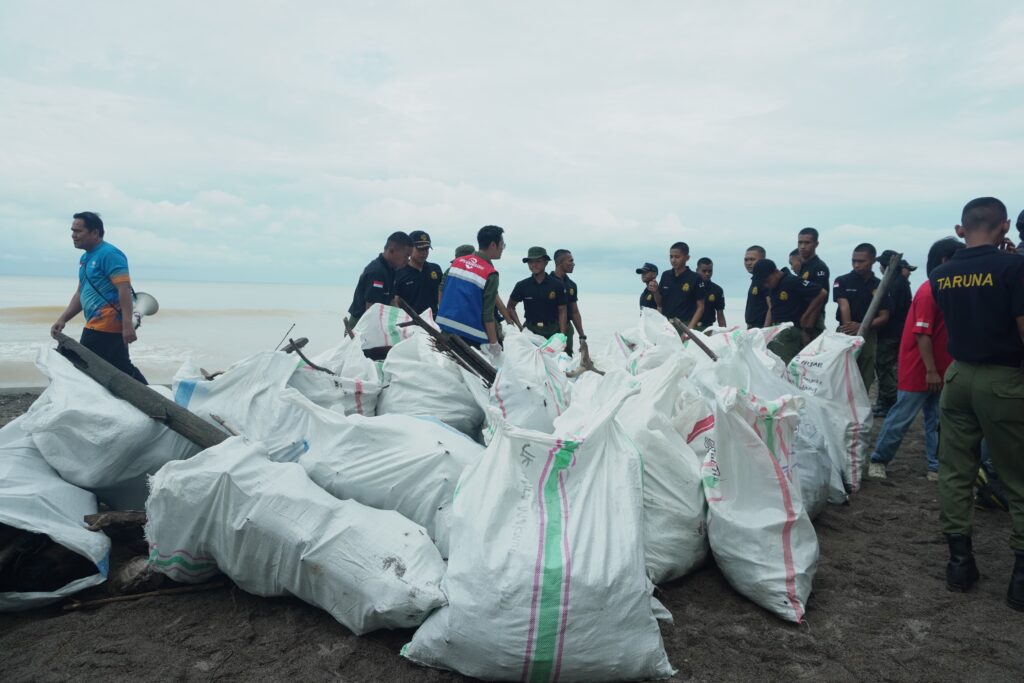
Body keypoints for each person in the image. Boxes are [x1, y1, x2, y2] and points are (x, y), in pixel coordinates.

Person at [929, 197, 1024, 609]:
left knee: (955, 471)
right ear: (1004, 226)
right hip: (1004, 378)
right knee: (1018, 476)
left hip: (958, 377)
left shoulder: (942, 273)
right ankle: (1020, 579)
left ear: (961, 229)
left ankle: (959, 564)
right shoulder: (1014, 267)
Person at [867, 238, 964, 481]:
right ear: (945, 261)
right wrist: (930, 370)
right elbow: (922, 333)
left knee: (938, 419)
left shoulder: (949, 289)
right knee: (901, 417)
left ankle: (935, 466)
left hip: (942, 366)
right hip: (919, 366)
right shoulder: (929, 290)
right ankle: (879, 459)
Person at [50, 211, 147, 383]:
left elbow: (123, 289)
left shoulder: (110, 254)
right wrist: (63, 318)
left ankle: (155, 401)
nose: (73, 235)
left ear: (95, 232)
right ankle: (155, 399)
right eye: (72, 231)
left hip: (105, 326)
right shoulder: (85, 258)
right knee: (122, 367)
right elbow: (81, 293)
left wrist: (127, 326)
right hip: (98, 325)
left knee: (84, 370)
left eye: (78, 231)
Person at [833, 243, 890, 391]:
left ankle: (860, 405)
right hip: (845, 332)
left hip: (869, 333)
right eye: (854, 261)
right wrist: (850, 331)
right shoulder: (842, 280)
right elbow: (843, 305)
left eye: (861, 261)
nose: (856, 265)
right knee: (841, 371)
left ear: (873, 260)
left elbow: (884, 316)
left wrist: (862, 327)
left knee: (866, 371)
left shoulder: (880, 285)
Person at [437, 226, 505, 349]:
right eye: (502, 244)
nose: (502, 248)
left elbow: (441, 289)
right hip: (470, 339)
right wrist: (494, 344)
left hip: (445, 331)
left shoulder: (456, 263)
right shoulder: (490, 273)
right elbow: (487, 314)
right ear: (493, 245)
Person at [751, 259, 827, 363]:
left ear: (775, 272)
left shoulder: (791, 281)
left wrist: (806, 317)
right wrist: (764, 331)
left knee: (784, 366)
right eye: (764, 283)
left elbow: (821, 293)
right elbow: (772, 308)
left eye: (767, 281)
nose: (766, 285)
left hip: (791, 332)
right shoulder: (773, 287)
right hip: (776, 330)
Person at [874, 250, 916, 416]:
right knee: (887, 368)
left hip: (890, 332)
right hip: (897, 331)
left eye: (881, 265)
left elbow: (891, 310)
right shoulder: (900, 282)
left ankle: (889, 403)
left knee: (885, 367)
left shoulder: (894, 284)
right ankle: (885, 401)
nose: (880, 269)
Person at [346, 231, 412, 325]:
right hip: (359, 324)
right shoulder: (377, 272)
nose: (408, 260)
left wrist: (402, 319)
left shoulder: (391, 269)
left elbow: (391, 301)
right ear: (391, 251)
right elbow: (371, 310)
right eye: (406, 256)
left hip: (375, 320)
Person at [508, 247, 568, 340]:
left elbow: (562, 310)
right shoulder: (522, 285)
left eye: (538, 261)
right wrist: (520, 327)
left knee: (557, 354)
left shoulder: (557, 285)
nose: (534, 265)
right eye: (530, 262)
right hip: (530, 331)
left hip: (553, 330)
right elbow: (510, 307)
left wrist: (562, 335)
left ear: (546, 262)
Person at [655, 242, 705, 328]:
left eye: (677, 257)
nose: (673, 260)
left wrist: (689, 329)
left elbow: (701, 307)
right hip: (666, 325)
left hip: (684, 325)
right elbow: (660, 304)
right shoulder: (665, 275)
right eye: (671, 257)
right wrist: (655, 291)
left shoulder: (695, 278)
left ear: (687, 258)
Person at [394, 230, 444, 316]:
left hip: (433, 323)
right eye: (420, 249)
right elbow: (394, 301)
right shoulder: (398, 272)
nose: (424, 253)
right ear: (409, 248)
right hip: (409, 324)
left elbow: (442, 295)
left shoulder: (436, 269)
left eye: (426, 249)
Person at [549, 249, 587, 356]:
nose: (573, 264)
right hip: (549, 327)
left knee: (566, 357)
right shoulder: (547, 282)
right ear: (560, 262)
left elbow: (574, 312)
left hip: (566, 327)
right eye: (570, 261)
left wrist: (582, 336)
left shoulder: (571, 285)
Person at [797, 227, 831, 339]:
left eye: (807, 243)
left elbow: (819, 298)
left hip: (813, 319)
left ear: (816, 244)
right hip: (802, 316)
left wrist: (808, 327)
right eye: (800, 242)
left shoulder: (819, 266)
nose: (802, 246)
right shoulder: (803, 266)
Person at [695, 257, 726, 330]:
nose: (707, 273)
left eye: (710, 271)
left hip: (707, 328)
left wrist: (725, 333)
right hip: (688, 326)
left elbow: (720, 314)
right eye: (704, 271)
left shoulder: (717, 290)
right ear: (697, 270)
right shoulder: (690, 287)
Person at [744, 245, 768, 329]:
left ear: (762, 260)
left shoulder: (766, 280)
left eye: (752, 259)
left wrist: (765, 329)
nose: (748, 263)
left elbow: (771, 306)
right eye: (746, 260)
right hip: (752, 327)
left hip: (761, 328)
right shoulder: (755, 279)